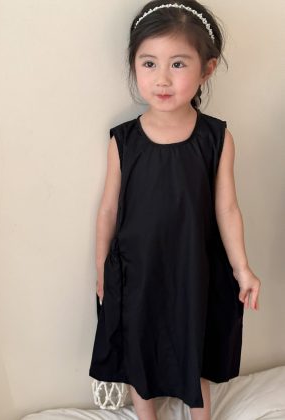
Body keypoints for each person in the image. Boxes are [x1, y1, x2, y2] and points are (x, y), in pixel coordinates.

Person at [88, 1, 261, 419]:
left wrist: (242, 268)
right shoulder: (123, 141)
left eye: (178, 64)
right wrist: (101, 268)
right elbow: (109, 209)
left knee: (193, 341)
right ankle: (146, 415)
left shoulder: (216, 138)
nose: (162, 78)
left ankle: (200, 414)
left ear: (207, 69)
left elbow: (227, 209)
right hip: (137, 269)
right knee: (138, 342)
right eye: (149, 63)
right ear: (134, 64)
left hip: (193, 268)